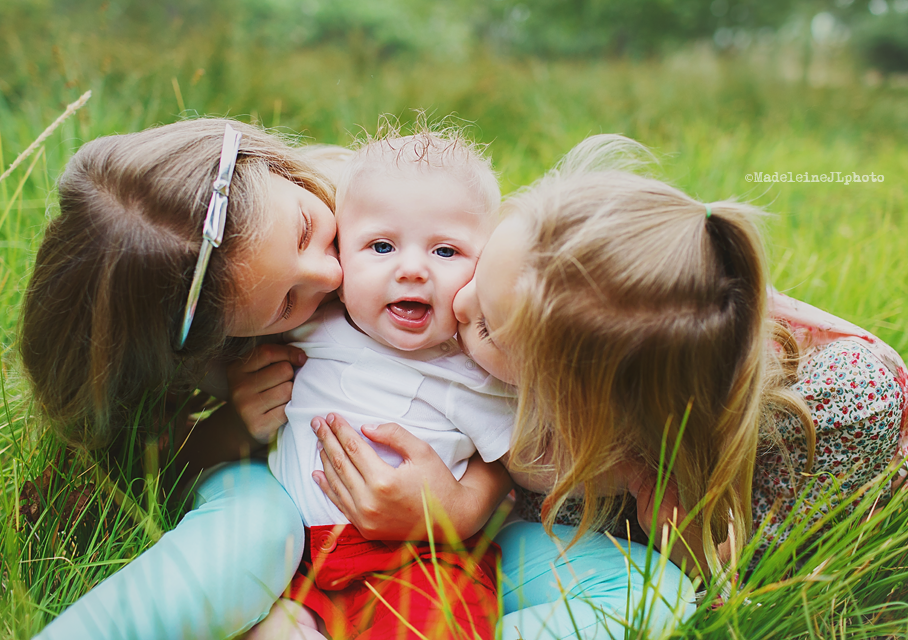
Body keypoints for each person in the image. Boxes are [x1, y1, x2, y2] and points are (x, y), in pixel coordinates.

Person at [310, 134, 907, 640]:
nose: (457, 300)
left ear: (575, 400)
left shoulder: (840, 405)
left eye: (487, 325)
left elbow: (747, 585)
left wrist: (655, 506)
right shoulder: (563, 283)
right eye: (481, 269)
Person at [21, 118, 346, 640]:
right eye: (286, 304)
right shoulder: (220, 354)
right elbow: (158, 460)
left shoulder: (373, 197)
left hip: (446, 522)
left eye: (307, 229)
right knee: (262, 531)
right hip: (293, 508)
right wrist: (238, 426)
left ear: (274, 164)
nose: (329, 275)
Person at [252, 130, 516, 640]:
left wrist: (462, 509)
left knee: (435, 621)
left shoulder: (480, 367)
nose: (413, 269)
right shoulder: (312, 324)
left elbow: (512, 460)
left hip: (417, 558)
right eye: (381, 245)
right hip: (295, 558)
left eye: (445, 250)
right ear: (340, 256)